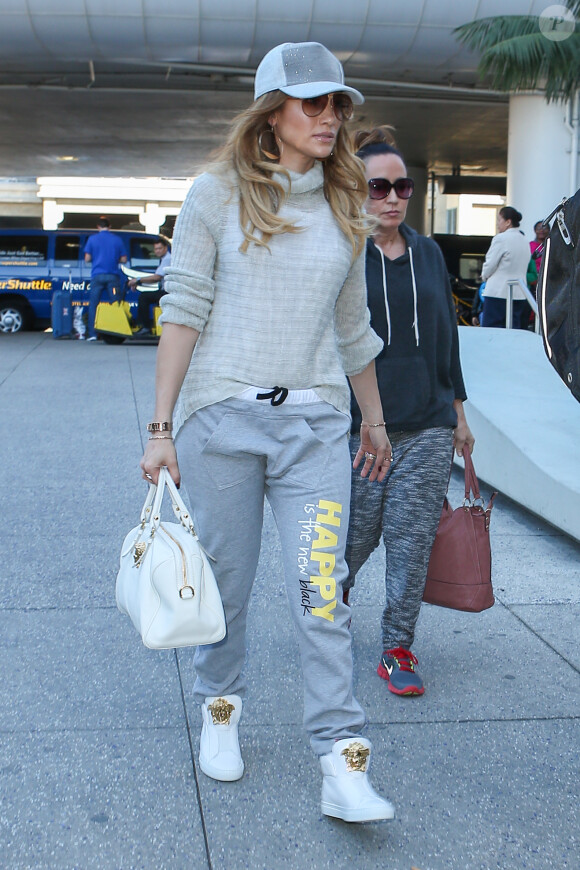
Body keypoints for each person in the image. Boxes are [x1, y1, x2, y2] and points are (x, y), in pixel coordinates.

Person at [140, 42, 396, 823]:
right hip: (221, 419)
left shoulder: (345, 205)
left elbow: (352, 327)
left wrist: (375, 420)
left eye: (337, 104)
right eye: (312, 102)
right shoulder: (215, 194)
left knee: (322, 591)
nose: (330, 116)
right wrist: (160, 428)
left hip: (314, 426)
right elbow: (183, 309)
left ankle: (342, 759)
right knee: (226, 584)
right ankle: (220, 707)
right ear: (272, 112)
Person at [343, 127, 474, 697]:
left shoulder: (428, 252)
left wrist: (459, 414)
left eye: (403, 187)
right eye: (379, 187)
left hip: (427, 424)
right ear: (356, 190)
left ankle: (397, 647)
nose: (393, 198)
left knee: (411, 543)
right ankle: (330, 605)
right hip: (359, 428)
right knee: (354, 538)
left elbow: (447, 337)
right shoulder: (343, 253)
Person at [480, 207, 531, 329]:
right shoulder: (525, 240)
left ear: (508, 222)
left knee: (492, 331)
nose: (497, 224)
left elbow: (490, 264)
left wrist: (484, 276)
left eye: (499, 220)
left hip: (498, 292)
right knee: (513, 331)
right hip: (519, 293)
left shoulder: (501, 238)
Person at [83, 217, 127, 341]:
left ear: (98, 226)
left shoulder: (92, 239)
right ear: (110, 226)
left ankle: (92, 334)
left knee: (93, 305)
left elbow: (87, 259)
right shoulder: (117, 240)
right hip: (112, 276)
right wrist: (114, 258)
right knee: (116, 303)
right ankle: (117, 331)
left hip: (97, 276)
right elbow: (124, 259)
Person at [127, 237, 171, 336]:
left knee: (144, 297)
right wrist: (138, 282)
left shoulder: (167, 259)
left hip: (167, 293)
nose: (157, 251)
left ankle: (145, 327)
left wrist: (137, 280)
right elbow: (157, 278)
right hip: (166, 291)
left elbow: (157, 277)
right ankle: (145, 325)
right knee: (146, 295)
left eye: (160, 248)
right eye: (155, 249)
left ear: (165, 248)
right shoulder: (165, 259)